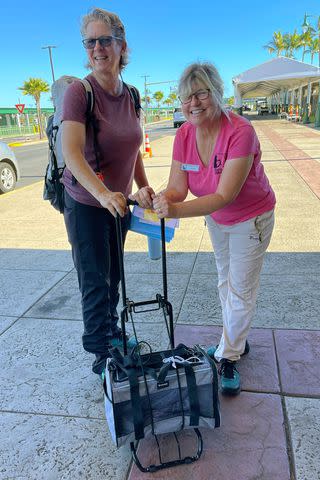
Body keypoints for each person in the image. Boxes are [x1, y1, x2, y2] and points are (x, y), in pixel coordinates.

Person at [152, 62, 276, 396]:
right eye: (186, 97)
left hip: (251, 217)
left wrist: (175, 209)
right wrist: (160, 198)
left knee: (240, 289)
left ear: (217, 94)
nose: (193, 103)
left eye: (201, 93)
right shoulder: (184, 134)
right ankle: (233, 342)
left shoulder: (240, 131)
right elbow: (177, 187)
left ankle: (229, 356)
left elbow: (225, 195)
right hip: (217, 220)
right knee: (225, 281)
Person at [61, 7, 154, 379]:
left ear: (121, 45)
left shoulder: (130, 93)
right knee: (94, 281)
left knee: (114, 275)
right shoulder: (78, 93)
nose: (98, 48)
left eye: (105, 40)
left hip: (119, 205)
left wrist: (143, 187)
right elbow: (71, 153)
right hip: (86, 204)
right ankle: (102, 355)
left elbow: (132, 147)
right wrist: (102, 195)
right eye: (90, 42)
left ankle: (112, 334)